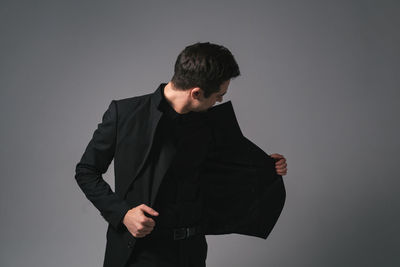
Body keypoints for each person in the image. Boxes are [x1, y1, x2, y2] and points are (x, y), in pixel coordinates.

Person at [74, 42, 287, 267]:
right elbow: (86, 171)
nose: (220, 100)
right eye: (218, 95)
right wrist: (123, 214)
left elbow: (228, 170)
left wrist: (266, 166)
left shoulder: (209, 124)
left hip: (191, 253)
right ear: (196, 92)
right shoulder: (124, 114)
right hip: (140, 252)